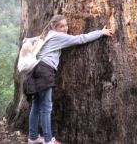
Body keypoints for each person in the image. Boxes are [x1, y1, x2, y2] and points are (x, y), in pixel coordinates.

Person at [27, 14, 113, 144]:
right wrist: (100, 32)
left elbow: (26, 40)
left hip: (34, 70)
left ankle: (33, 137)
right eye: (61, 26)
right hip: (45, 71)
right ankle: (48, 140)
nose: (65, 28)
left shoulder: (47, 35)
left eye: (66, 25)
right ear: (55, 27)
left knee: (36, 105)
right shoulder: (58, 36)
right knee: (46, 107)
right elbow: (81, 39)